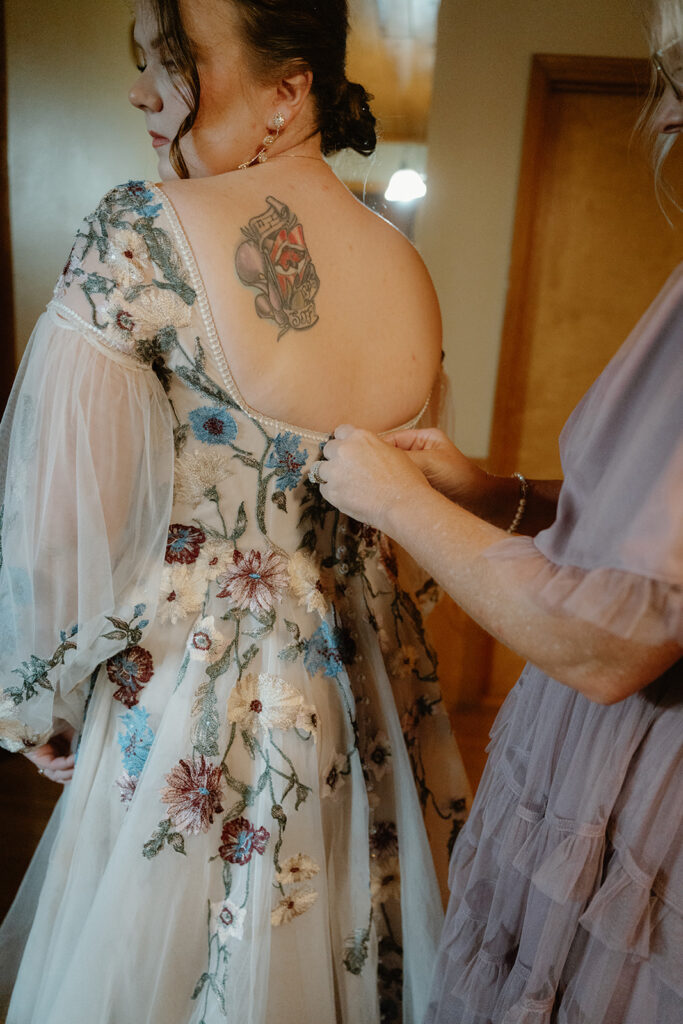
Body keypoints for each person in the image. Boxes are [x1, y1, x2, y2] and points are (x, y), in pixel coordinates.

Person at [0, 2, 471, 1021]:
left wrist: (41, 698)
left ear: (286, 90)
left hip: (183, 699)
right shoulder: (407, 267)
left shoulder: (142, 229)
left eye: (169, 63)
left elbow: (64, 520)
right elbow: (408, 541)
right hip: (366, 702)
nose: (142, 91)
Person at [316, 3, 683, 1021]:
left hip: (642, 787)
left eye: (678, 89)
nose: (658, 123)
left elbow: (617, 638)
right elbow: (652, 536)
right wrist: (495, 494)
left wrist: (397, 503)